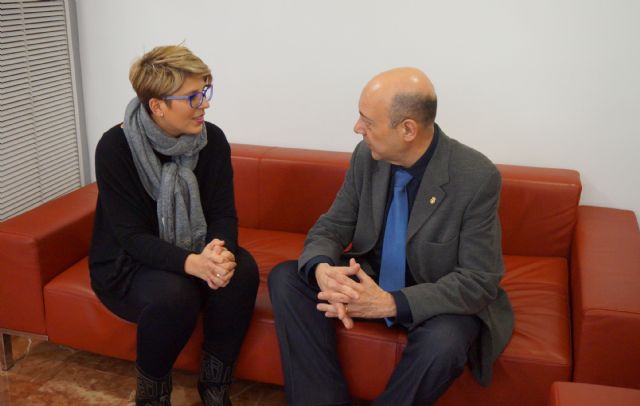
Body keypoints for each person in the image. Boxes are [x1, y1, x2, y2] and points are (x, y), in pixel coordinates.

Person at [268, 67, 514, 405]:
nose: (358, 129)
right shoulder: (367, 157)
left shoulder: (475, 177)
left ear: (408, 129)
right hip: (370, 277)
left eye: (367, 122)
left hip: (434, 298)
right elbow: (332, 226)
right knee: (288, 277)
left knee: (446, 341)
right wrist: (324, 269)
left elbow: (478, 281)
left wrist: (389, 303)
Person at [89, 45, 259, 406]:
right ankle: (152, 396)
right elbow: (130, 236)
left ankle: (215, 389)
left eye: (206, 92)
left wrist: (217, 253)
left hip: (194, 252)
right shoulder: (115, 147)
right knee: (174, 294)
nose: (205, 104)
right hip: (128, 264)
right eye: (193, 96)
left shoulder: (211, 141)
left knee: (241, 271)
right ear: (157, 105)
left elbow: (223, 214)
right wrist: (194, 264)